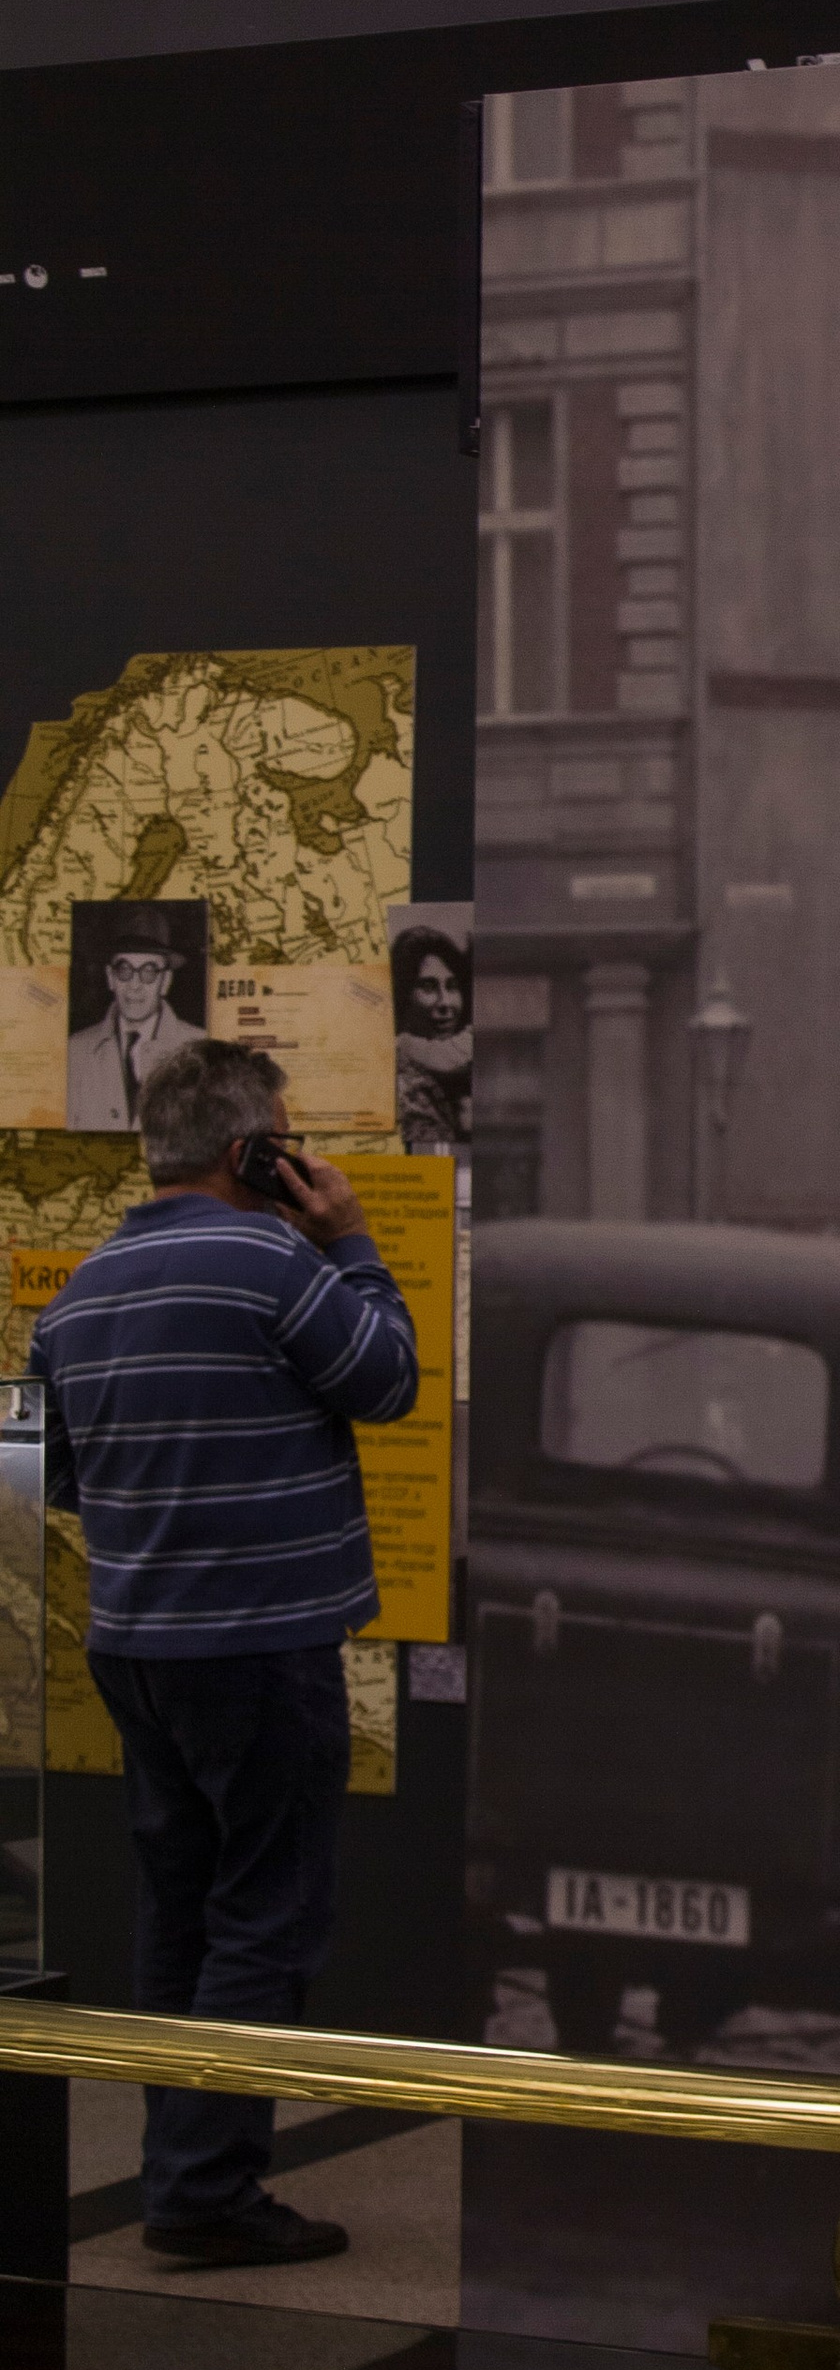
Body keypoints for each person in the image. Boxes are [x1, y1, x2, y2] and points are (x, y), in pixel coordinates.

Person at [28, 1037, 419, 2268]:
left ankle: (177, 2174)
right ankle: (206, 2194)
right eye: (287, 1143)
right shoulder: (272, 1260)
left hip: (137, 1648)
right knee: (266, 1915)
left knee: (180, 1916)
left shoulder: (79, 1292)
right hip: (259, 1645)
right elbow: (389, 1381)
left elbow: (61, 1479)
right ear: (255, 1152)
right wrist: (351, 1240)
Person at [63, 906, 199, 1129]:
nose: (134, 985)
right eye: (124, 970)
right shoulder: (75, 1052)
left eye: (149, 971)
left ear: (165, 981)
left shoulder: (199, 1049)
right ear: (110, 977)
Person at [391, 920, 473, 1153]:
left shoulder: (455, 1074)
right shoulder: (403, 1086)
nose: (445, 1002)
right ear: (402, 995)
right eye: (428, 987)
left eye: (453, 986)